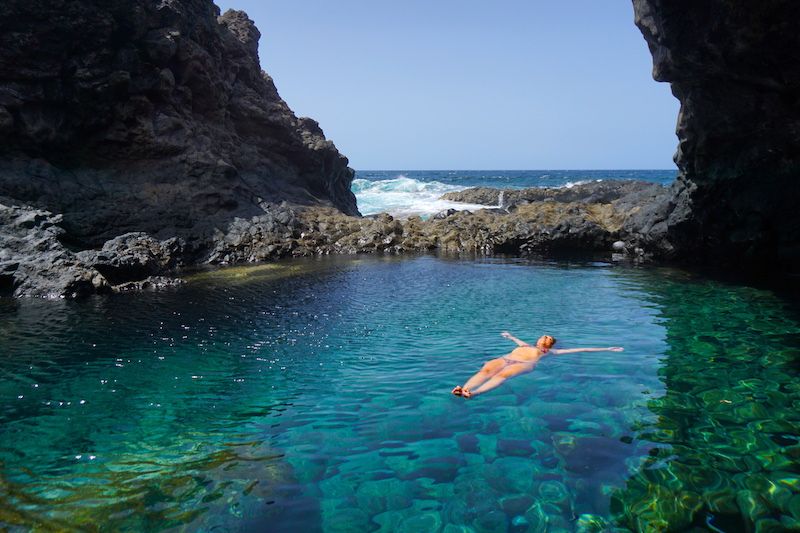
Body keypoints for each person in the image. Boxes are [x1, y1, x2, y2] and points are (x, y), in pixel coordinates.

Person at [451, 331, 623, 398]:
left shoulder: (549, 352)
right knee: (486, 370)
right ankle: (464, 388)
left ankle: (474, 393)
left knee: (501, 376)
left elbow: (582, 350)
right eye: (544, 336)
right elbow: (517, 340)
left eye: (548, 338)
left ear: (550, 344)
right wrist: (510, 336)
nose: (544, 337)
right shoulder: (526, 345)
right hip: (505, 358)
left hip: (523, 364)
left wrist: (607, 348)